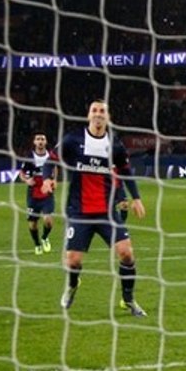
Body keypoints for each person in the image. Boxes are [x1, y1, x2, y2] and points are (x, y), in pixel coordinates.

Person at [58, 100, 147, 318]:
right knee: (73, 261)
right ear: (88, 115)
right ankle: (72, 285)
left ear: (107, 117)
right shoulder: (73, 140)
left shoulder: (115, 145)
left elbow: (125, 170)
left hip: (107, 213)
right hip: (79, 212)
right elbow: (52, 159)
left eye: (102, 111)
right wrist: (48, 179)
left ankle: (128, 300)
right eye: (94, 110)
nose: (98, 114)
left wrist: (136, 198)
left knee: (126, 253)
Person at [18, 132, 60, 255]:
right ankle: (37, 244)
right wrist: (26, 180)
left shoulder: (50, 155)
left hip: (47, 192)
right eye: (38, 139)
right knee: (33, 224)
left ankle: (45, 238)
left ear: (45, 142)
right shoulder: (29, 156)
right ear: (34, 142)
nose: (40, 141)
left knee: (48, 220)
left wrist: (55, 180)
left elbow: (55, 167)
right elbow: (21, 172)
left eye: (42, 139)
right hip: (33, 194)